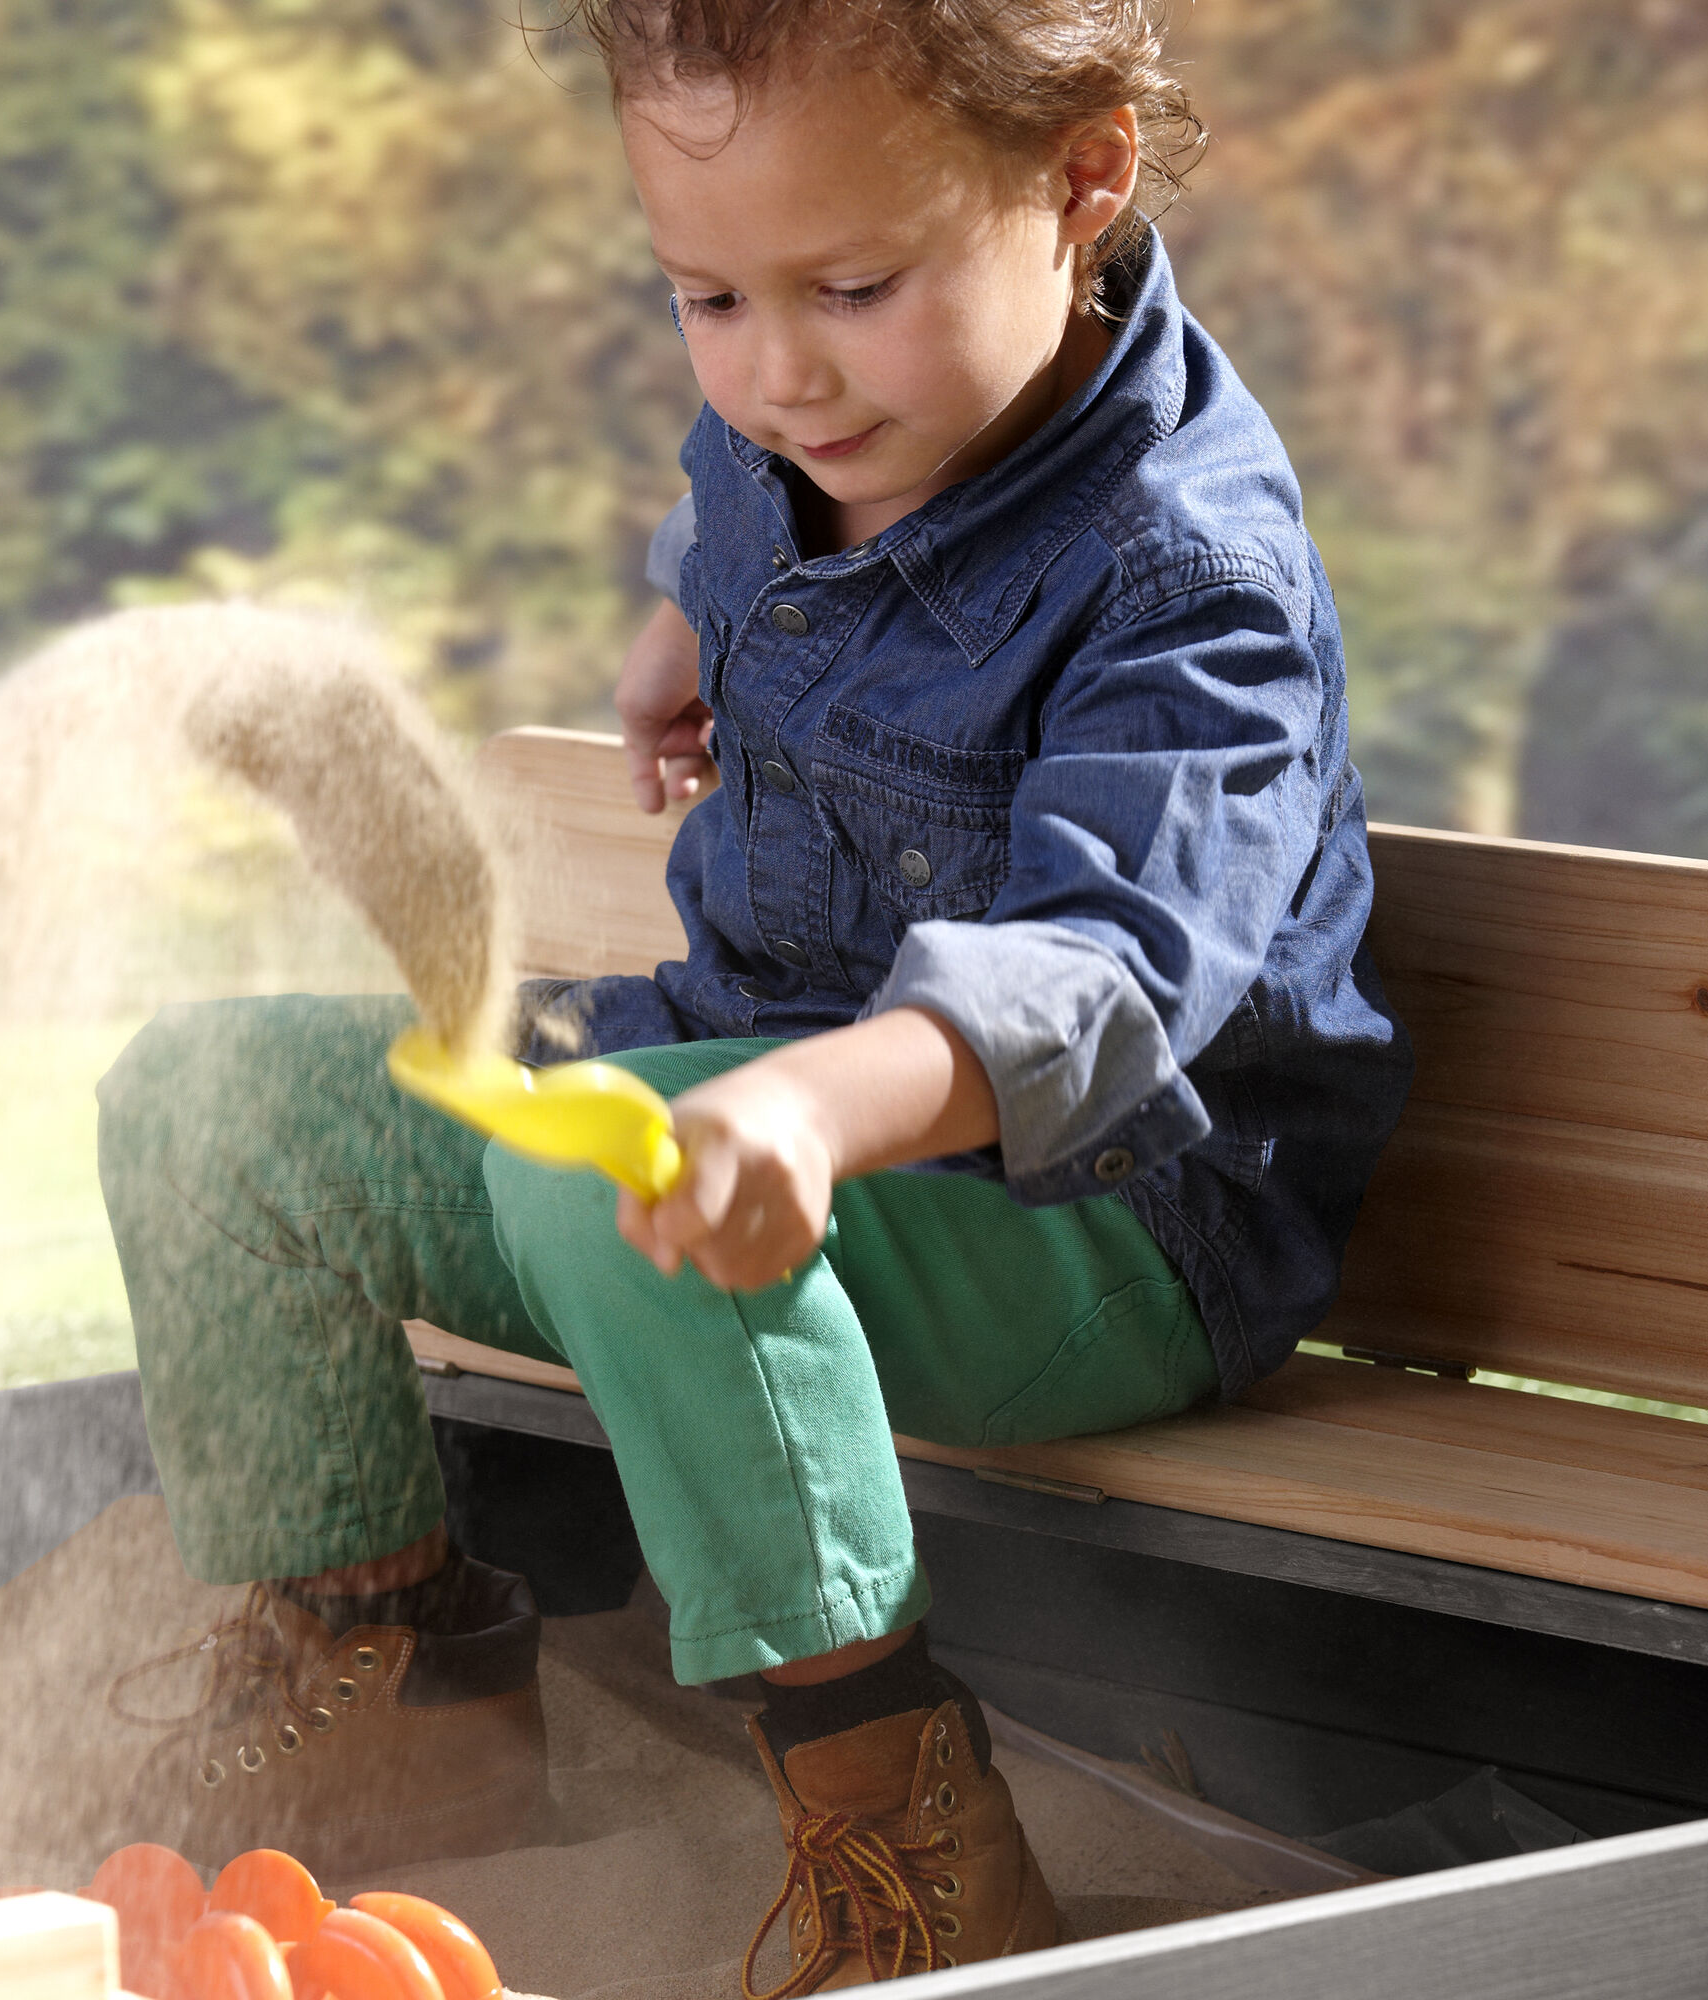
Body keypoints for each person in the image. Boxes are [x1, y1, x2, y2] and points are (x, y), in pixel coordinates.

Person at [96, 0, 1412, 1986]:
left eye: (850, 288)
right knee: (216, 1097)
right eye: (704, 293)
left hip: (1098, 1231)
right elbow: (744, 499)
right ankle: (396, 1692)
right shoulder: (840, 403)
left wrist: (806, 1111)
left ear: (1081, 179)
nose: (775, 367)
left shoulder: (1183, 576)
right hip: (746, 1082)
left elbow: (1105, 966)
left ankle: (900, 1823)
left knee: (620, 1194)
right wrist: (680, 623)